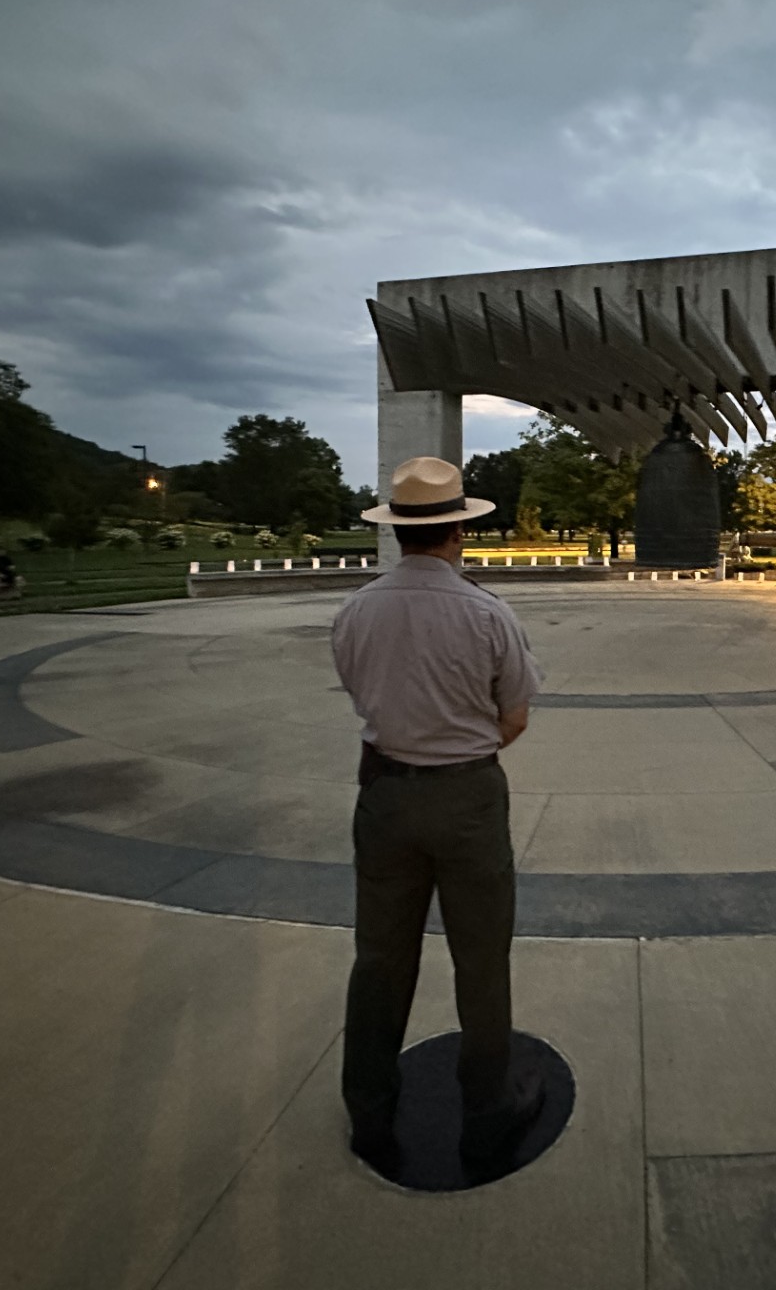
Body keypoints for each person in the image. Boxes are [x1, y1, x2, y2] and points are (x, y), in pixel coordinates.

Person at [331, 456, 545, 1175]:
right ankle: (486, 1108)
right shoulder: (487, 613)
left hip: (384, 794)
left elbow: (359, 695)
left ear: (396, 534)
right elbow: (513, 715)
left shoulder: (356, 610)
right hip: (467, 798)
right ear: (458, 529)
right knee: (481, 959)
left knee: (381, 959)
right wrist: (464, 741)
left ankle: (368, 1108)